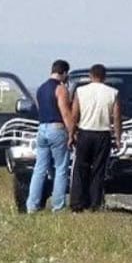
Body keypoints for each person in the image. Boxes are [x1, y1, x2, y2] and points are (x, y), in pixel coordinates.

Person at [69, 64, 121, 212]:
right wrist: (117, 137)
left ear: (90, 76)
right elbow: (116, 117)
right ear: (104, 77)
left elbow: (74, 115)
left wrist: (71, 134)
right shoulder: (113, 93)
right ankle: (95, 203)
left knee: (80, 168)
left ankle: (77, 203)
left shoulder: (81, 91)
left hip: (85, 132)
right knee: (98, 170)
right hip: (103, 133)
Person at [27, 59, 75, 213]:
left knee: (39, 168)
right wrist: (72, 132)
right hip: (57, 128)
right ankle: (58, 206)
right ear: (64, 73)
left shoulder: (40, 88)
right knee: (61, 168)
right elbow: (65, 112)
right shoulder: (60, 89)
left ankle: (32, 205)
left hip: (41, 129)